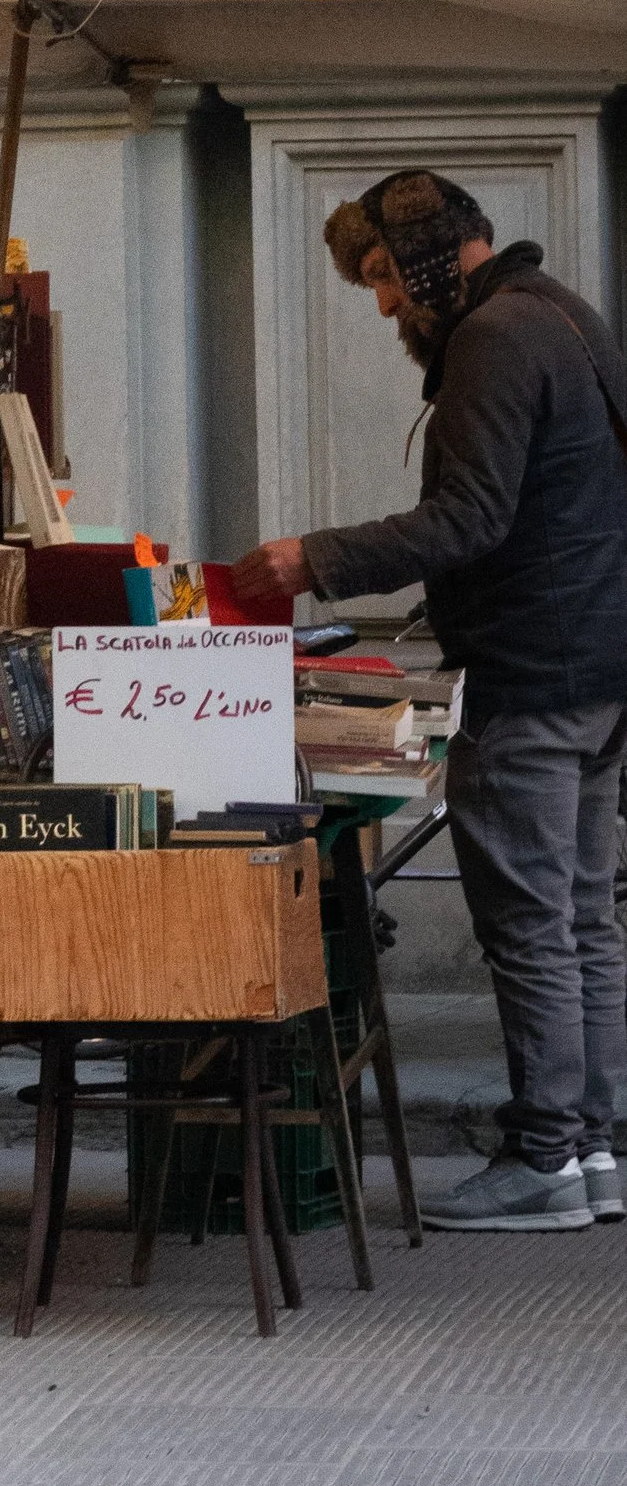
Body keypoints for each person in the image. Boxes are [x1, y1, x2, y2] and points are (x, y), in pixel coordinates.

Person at [234, 171, 627, 1234]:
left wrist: (308, 558)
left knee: (532, 928)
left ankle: (545, 1155)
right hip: (593, 670)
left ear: (425, 255)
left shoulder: (495, 337)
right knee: (580, 918)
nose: (381, 305)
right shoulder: (562, 317)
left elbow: (466, 519)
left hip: (530, 677)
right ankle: (593, 1150)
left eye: (378, 277)